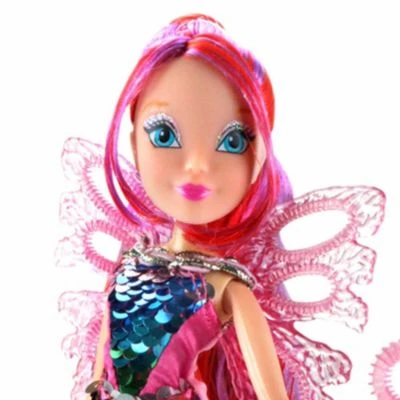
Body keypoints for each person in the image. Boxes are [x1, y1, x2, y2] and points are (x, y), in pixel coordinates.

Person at [58, 13, 385, 400]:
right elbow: (98, 374)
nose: (197, 165)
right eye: (163, 134)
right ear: (134, 145)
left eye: (233, 142)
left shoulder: (226, 287)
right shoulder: (129, 262)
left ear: (258, 161)